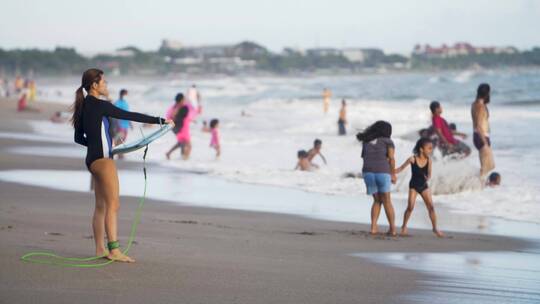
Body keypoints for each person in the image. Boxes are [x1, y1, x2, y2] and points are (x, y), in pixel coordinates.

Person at [72, 68, 173, 263]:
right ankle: (114, 250)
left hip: (92, 160)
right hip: (104, 160)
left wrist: (101, 145)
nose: (107, 85)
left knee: (101, 205)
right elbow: (129, 115)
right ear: (94, 85)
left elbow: (79, 138)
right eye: (104, 82)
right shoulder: (100, 105)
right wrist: (160, 121)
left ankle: (100, 249)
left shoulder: (83, 106)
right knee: (113, 204)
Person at [395, 138, 444, 237]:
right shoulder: (412, 159)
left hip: (423, 186)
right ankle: (404, 226)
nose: (431, 150)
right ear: (421, 149)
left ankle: (435, 228)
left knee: (431, 207)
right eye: (429, 148)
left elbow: (429, 174)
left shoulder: (429, 160)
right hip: (413, 186)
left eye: (431, 148)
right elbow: (400, 168)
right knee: (410, 207)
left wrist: (428, 177)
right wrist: (391, 172)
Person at [356, 120, 397, 236]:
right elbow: (391, 158)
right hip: (383, 172)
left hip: (368, 173)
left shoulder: (366, 141)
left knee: (377, 200)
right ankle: (392, 229)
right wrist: (393, 174)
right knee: (387, 201)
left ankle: (373, 227)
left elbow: (364, 157)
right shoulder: (388, 141)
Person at [471, 83, 495, 178]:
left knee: (487, 166)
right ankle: (476, 183)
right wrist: (485, 142)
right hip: (481, 136)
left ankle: (478, 184)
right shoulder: (480, 107)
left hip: (478, 136)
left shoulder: (474, 104)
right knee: (487, 166)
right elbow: (478, 125)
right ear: (487, 93)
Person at [113, 89, 132, 159]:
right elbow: (116, 114)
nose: (127, 95)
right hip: (120, 124)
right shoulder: (118, 102)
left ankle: (119, 152)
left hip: (126, 123)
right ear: (123, 94)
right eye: (126, 94)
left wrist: (130, 123)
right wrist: (117, 124)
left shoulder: (125, 102)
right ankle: (118, 152)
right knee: (120, 138)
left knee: (123, 139)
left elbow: (128, 113)